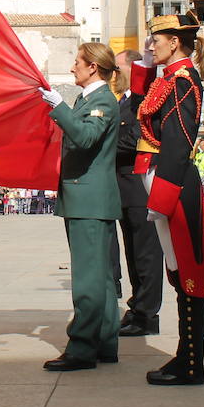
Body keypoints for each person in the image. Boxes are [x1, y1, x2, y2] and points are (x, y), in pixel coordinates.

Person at [134, 13, 204, 386]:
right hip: (165, 182)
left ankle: (191, 364)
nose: (151, 45)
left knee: (187, 274)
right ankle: (185, 357)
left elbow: (179, 143)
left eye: (157, 39)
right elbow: (141, 99)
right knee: (177, 271)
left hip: (175, 184)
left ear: (175, 42)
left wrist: (161, 197)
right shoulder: (168, 78)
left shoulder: (182, 80)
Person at [37, 42, 122, 371]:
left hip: (89, 200)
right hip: (86, 198)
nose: (73, 67)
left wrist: (60, 108)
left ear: (93, 68)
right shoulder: (90, 99)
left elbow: (85, 138)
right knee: (99, 277)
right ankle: (105, 340)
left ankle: (83, 347)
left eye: (77, 62)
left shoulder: (102, 101)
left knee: (87, 279)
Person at [114, 45, 164, 337]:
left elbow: (137, 137)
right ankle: (138, 307)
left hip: (139, 186)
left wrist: (105, 142)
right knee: (133, 254)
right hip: (124, 187)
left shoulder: (144, 100)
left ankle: (147, 314)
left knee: (146, 254)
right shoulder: (126, 100)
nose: (115, 74)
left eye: (119, 69)